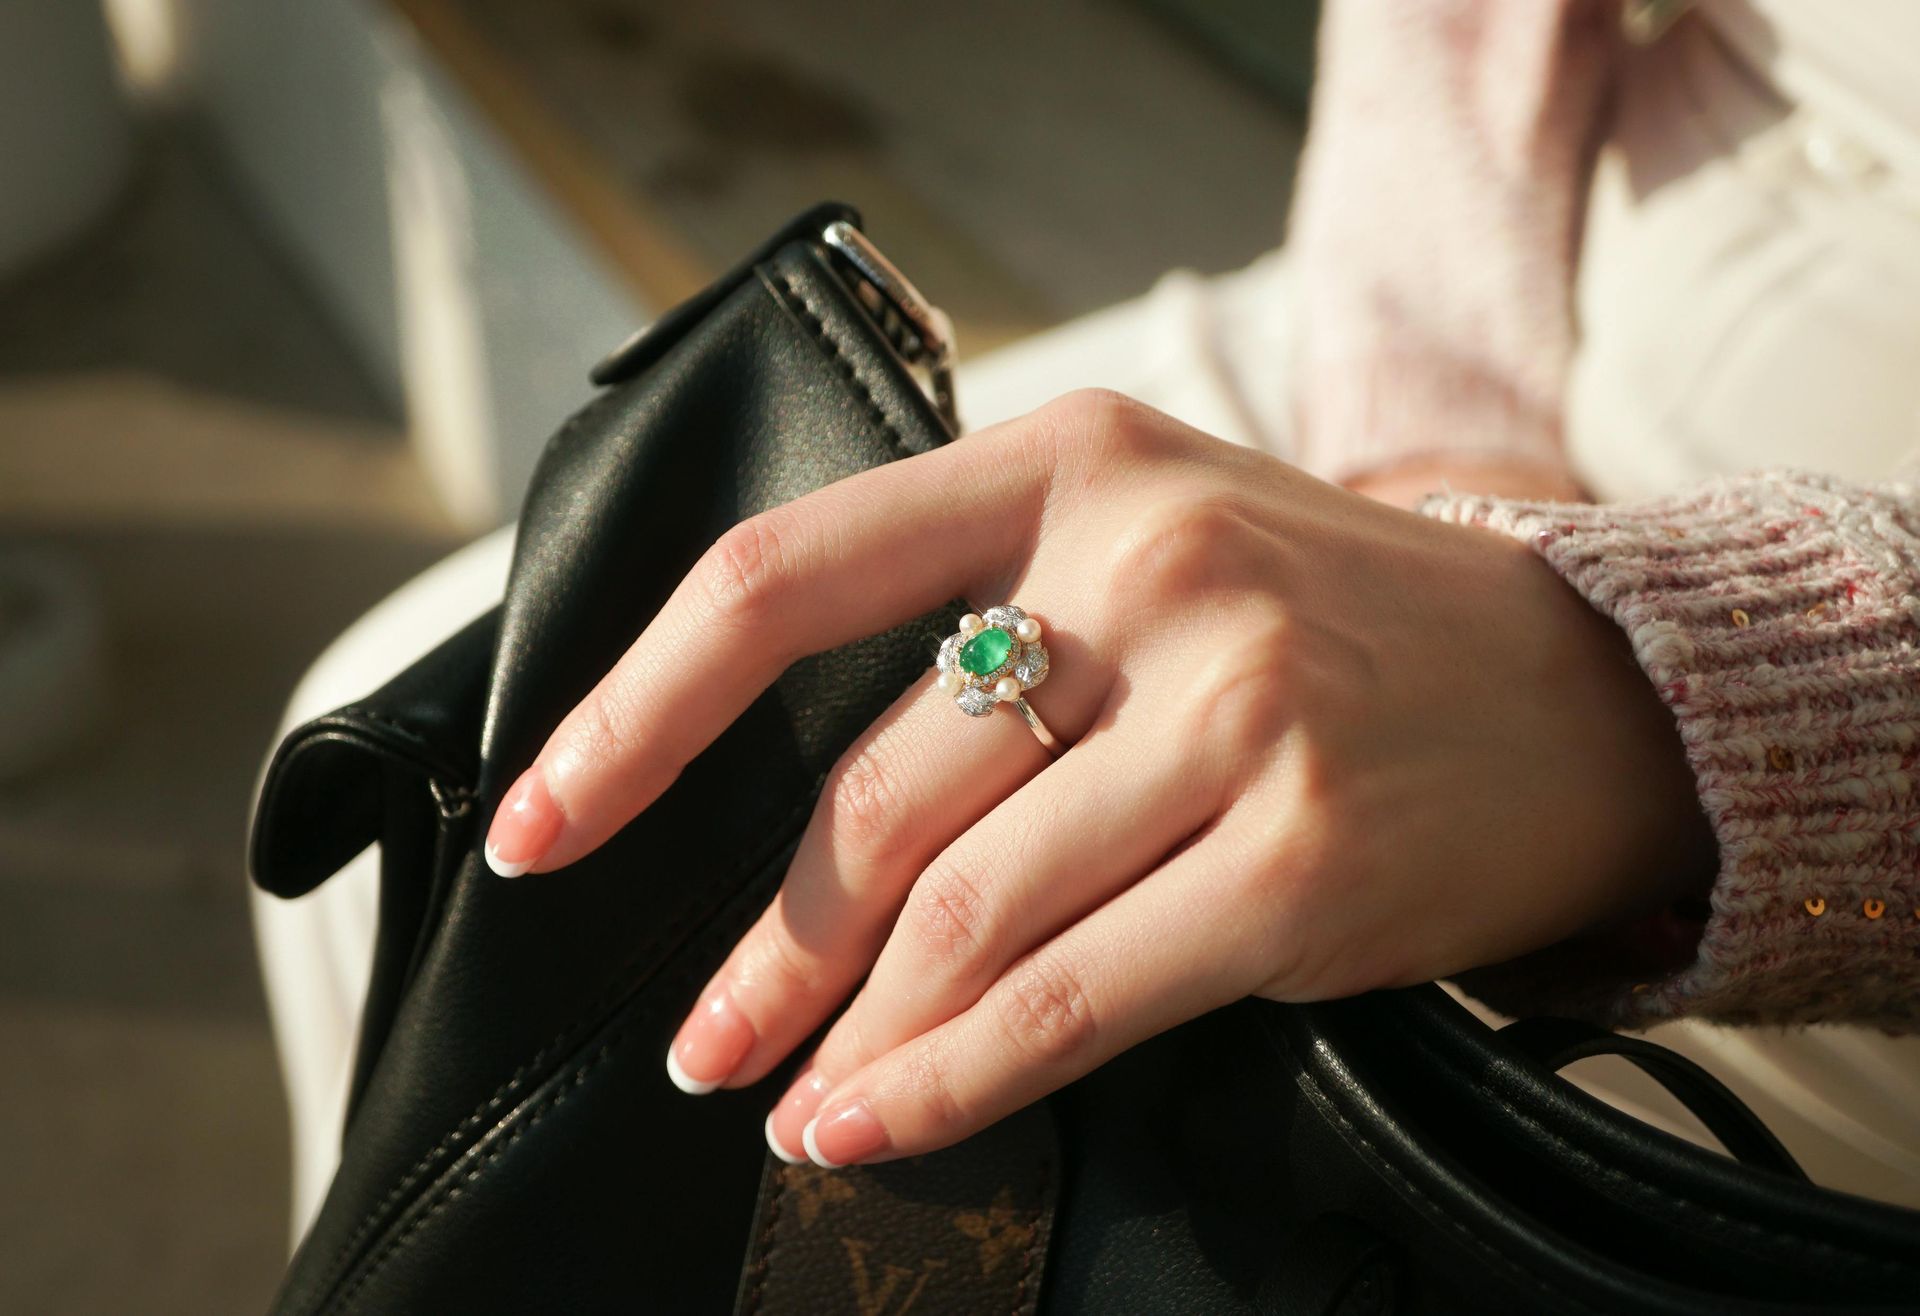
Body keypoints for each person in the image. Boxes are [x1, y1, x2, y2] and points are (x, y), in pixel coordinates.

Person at [254, 0, 1920, 1237]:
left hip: (1840, 803)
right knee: (452, 771)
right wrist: (1434, 438)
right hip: (1514, 293)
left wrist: (1685, 704)